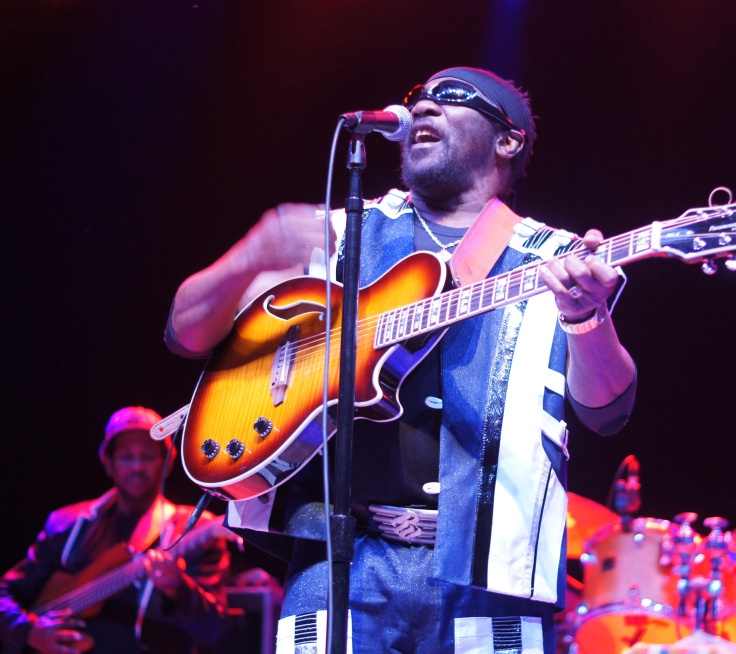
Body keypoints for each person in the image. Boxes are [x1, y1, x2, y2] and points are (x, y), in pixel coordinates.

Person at [165, 67, 637, 653]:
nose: (427, 108)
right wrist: (253, 253)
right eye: (421, 98)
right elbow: (185, 330)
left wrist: (585, 317)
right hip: (338, 560)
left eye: (453, 98)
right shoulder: (341, 233)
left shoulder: (556, 258)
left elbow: (607, 409)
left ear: (508, 139)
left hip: (490, 571)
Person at [0, 407, 230, 654]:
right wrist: (28, 630)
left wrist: (179, 588)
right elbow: (5, 593)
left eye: (148, 456)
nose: (136, 467)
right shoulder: (67, 523)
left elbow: (215, 630)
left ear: (167, 462)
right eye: (126, 457)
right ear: (108, 463)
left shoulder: (195, 528)